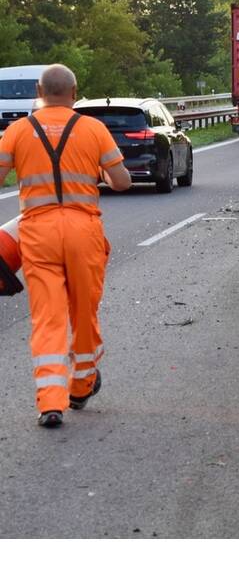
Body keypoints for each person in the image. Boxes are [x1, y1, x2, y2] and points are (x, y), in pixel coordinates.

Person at [0, 64, 131, 428]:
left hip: (37, 232)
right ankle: (81, 384)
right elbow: (120, 182)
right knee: (84, 313)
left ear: (39, 93)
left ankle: (50, 403)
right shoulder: (93, 129)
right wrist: (103, 172)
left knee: (47, 317)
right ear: (74, 93)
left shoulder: (17, 131)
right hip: (82, 231)